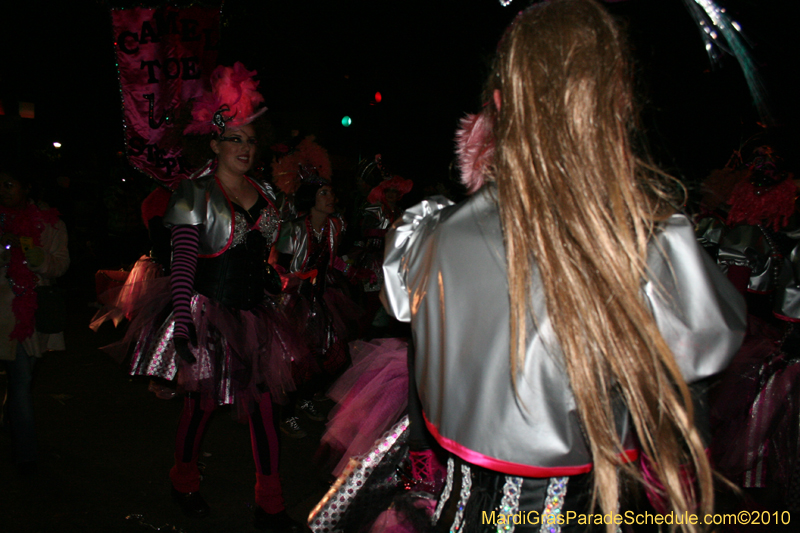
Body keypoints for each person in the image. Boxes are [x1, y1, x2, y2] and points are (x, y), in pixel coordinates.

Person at [377, 1, 746, 531]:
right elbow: (698, 372)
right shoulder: (649, 249)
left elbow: (398, 303)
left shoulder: (431, 234)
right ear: (619, 102)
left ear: (498, 104)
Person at [107, 63, 305, 532]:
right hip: (207, 315)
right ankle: (183, 480)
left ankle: (271, 505)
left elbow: (277, 253)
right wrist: (183, 326)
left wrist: (278, 275)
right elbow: (182, 266)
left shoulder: (267, 193)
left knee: (265, 411)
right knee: (201, 408)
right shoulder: (193, 192)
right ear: (213, 144)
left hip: (255, 318)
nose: (244, 148)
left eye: (250, 139)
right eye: (234, 139)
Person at [275, 171, 363, 438]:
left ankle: (305, 398)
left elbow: (332, 259)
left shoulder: (334, 226)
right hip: (293, 302)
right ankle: (287, 414)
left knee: (333, 357)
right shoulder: (293, 228)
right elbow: (279, 267)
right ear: (310, 198)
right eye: (324, 193)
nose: (331, 197)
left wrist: (351, 271)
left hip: (322, 298)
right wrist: (298, 280)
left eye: (331, 192)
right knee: (296, 362)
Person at [1, 164, 69, 475]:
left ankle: (17, 433)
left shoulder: (49, 223)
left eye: (9, 184)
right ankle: (24, 451)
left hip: (31, 314)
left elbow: (60, 265)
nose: (3, 190)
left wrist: (39, 260)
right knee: (19, 382)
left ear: (26, 187)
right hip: (3, 313)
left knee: (22, 379)